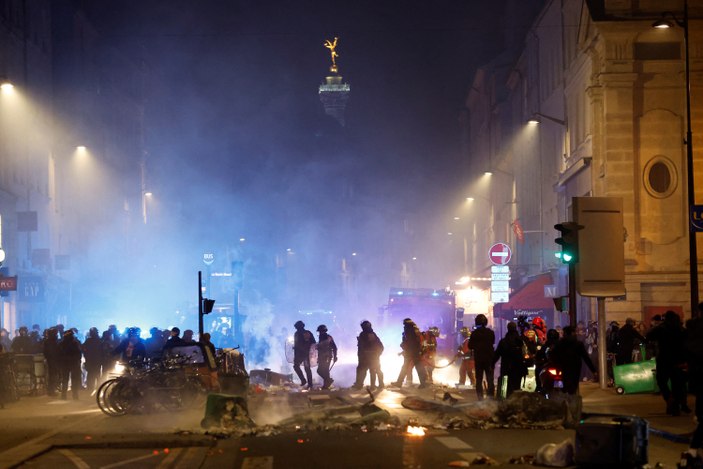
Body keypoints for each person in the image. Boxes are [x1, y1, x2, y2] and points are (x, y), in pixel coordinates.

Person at [646, 310, 689, 416]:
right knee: (677, 384)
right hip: (678, 360)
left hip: (664, 359)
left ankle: (669, 398)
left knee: (661, 381)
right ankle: (676, 406)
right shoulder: (681, 329)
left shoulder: (662, 328)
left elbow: (649, 335)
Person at [682, 303, 703, 466]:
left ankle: (694, 448)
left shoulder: (693, 327)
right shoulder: (695, 328)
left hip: (698, 373)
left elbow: (688, 348)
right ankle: (694, 448)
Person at [550, 325, 596, 395]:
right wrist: (593, 371)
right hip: (575, 369)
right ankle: (571, 399)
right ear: (572, 333)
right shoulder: (578, 344)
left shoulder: (559, 344)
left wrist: (556, 365)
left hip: (561, 369)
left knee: (561, 387)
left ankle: (563, 399)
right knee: (572, 388)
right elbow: (586, 358)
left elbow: (553, 356)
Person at [493, 321, 527, 398]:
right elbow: (526, 353)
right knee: (517, 386)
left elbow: (497, 354)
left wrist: (492, 363)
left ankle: (506, 401)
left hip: (506, 367)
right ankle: (516, 400)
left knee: (506, 387)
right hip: (518, 367)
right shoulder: (521, 341)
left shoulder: (504, 341)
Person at [391, 318, 427, 388]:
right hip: (415, 351)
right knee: (418, 367)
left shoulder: (408, 329)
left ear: (405, 323)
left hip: (411, 352)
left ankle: (399, 382)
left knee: (406, 367)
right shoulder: (415, 328)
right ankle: (423, 383)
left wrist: (403, 346)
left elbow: (410, 341)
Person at [469, 314, 495, 400]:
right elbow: (493, 342)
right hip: (489, 359)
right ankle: (490, 397)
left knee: (479, 379)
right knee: (490, 379)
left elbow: (470, 346)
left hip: (479, 359)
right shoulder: (491, 333)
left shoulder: (474, 333)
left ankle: (480, 399)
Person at [353, 320, 384, 390]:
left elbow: (363, 347)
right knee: (374, 370)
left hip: (367, 357)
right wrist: (378, 354)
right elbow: (380, 346)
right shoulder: (372, 334)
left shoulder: (364, 334)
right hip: (373, 356)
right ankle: (377, 385)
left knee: (363, 370)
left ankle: (360, 385)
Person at [58, 329, 82, 400]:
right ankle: (75, 395)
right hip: (73, 364)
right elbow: (79, 354)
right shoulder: (75, 343)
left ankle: (64, 395)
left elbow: (58, 355)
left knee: (65, 380)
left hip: (65, 364)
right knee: (74, 380)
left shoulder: (61, 344)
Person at [292, 320, 315, 390]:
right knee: (307, 368)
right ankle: (310, 384)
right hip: (306, 354)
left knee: (296, 366)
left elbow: (296, 345)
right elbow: (313, 343)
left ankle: (303, 380)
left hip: (300, 354)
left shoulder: (297, 333)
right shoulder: (308, 333)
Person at [316, 325, 338, 390]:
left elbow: (334, 347)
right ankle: (326, 385)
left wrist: (335, 356)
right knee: (325, 371)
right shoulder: (325, 337)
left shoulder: (327, 337)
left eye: (320, 331)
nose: (319, 333)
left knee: (320, 370)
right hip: (324, 356)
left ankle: (328, 381)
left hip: (326, 357)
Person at [82, 327, 103, 393]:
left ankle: (91, 387)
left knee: (91, 374)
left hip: (92, 360)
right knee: (96, 374)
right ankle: (98, 387)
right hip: (95, 360)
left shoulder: (90, 340)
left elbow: (83, 348)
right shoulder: (99, 340)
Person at [43, 327, 61, 396]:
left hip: (50, 360)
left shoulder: (47, 341)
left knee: (52, 376)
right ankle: (51, 391)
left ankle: (51, 390)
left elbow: (45, 352)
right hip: (53, 361)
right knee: (53, 376)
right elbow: (56, 351)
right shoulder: (53, 342)